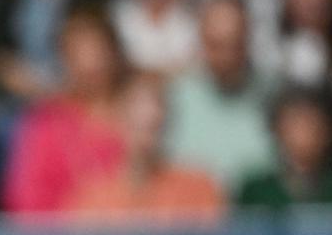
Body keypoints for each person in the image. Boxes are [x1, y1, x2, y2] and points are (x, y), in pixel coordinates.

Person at [2, 4, 128, 217]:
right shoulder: (46, 123)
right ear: (65, 61)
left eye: (99, 52)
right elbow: (26, 199)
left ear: (115, 54)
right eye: (77, 54)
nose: (91, 65)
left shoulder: (142, 117)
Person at [66, 72, 226, 224]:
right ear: (120, 121)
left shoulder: (198, 189)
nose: (150, 116)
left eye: (154, 127)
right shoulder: (93, 200)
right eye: (138, 126)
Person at [166, 0, 276, 189]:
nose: (227, 56)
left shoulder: (274, 93)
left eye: (235, 44)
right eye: (216, 45)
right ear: (201, 40)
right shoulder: (175, 95)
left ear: (249, 40)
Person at [235, 85, 332, 209]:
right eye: (295, 123)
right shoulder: (255, 191)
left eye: (312, 124)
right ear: (277, 130)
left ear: (329, 130)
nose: (303, 133)